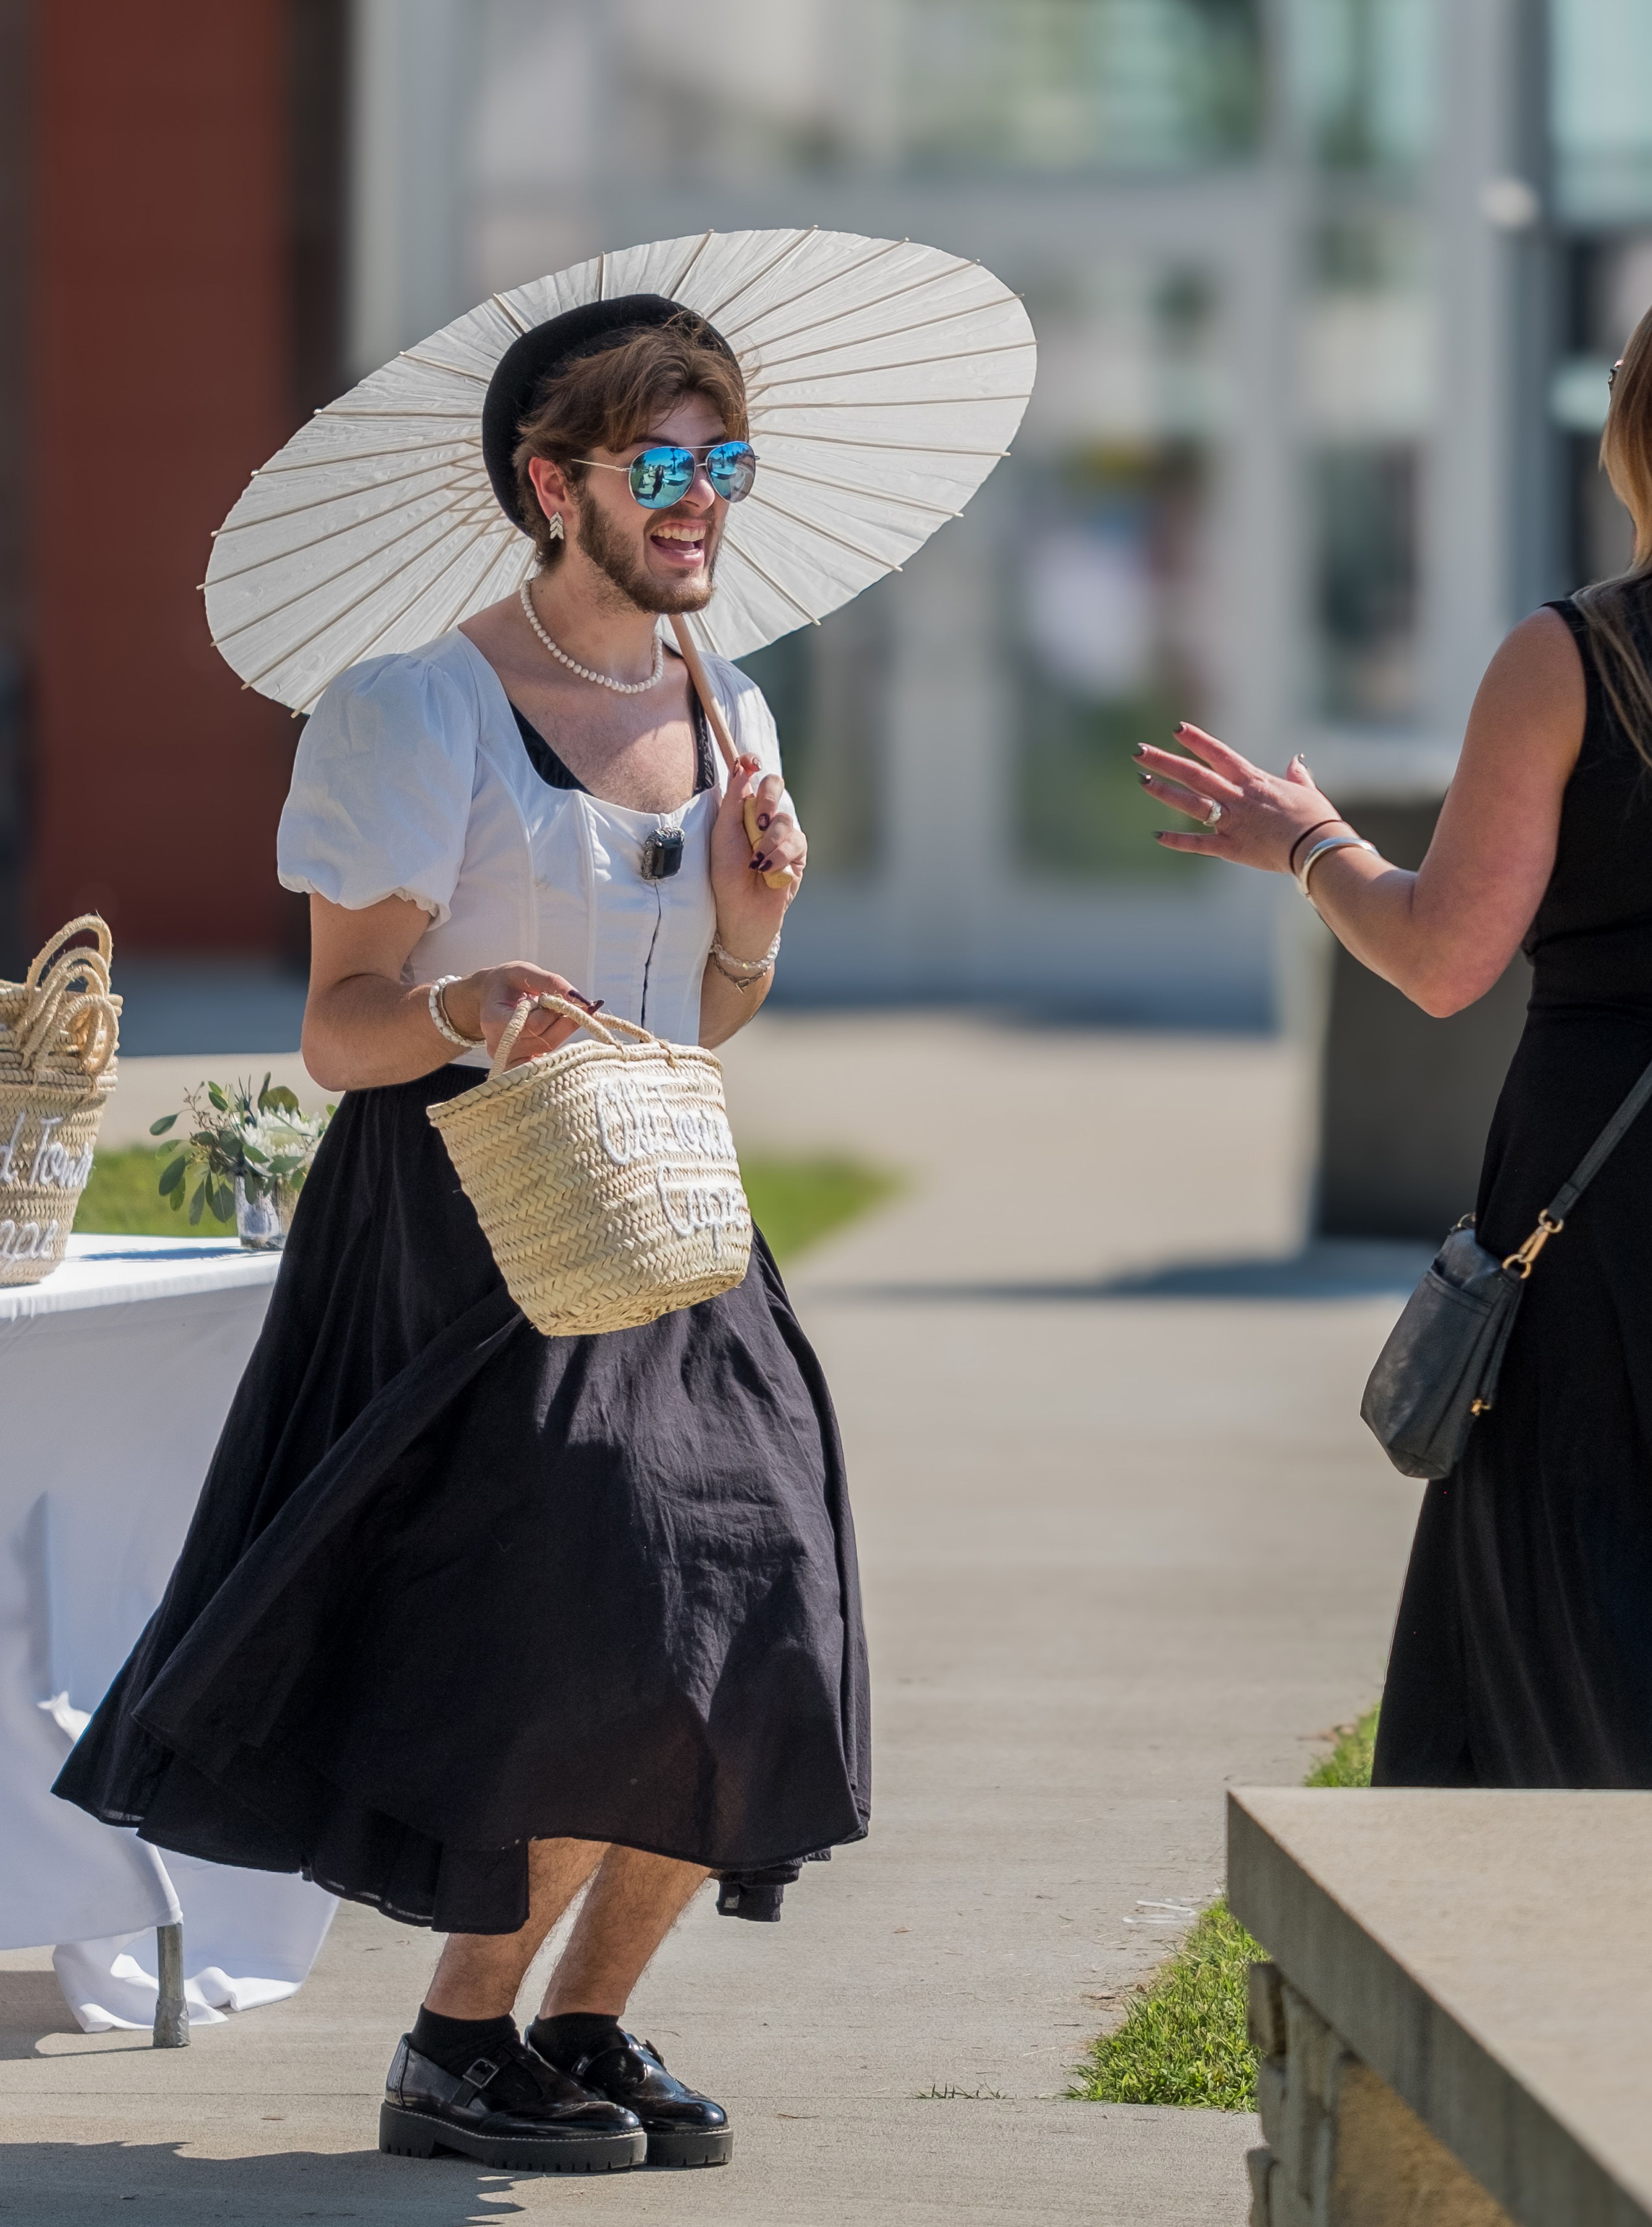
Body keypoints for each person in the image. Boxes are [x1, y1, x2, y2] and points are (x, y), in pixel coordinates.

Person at [55, 297, 870, 2175]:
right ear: (550, 480)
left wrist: (750, 924)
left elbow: (716, 1012)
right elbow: (338, 1022)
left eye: (722, 467)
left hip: (666, 1206)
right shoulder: (417, 708)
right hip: (463, 1217)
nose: (697, 506)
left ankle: (575, 2022)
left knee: (764, 1618)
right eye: (657, 468)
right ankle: (455, 2040)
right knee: (598, 1617)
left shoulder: (725, 702)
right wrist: (465, 1004)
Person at [1132, 305, 1652, 1793]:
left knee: (1569, 1593)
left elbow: (1443, 958)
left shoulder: (1574, 659)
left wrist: (1310, 843)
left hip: (1603, 1182)